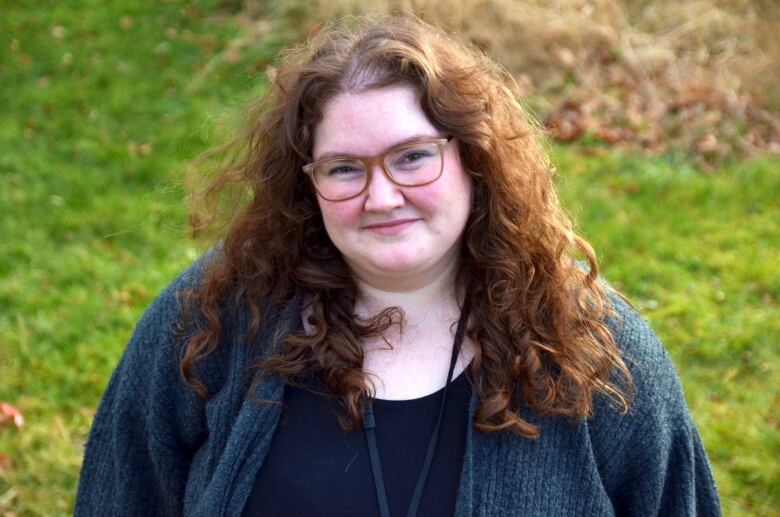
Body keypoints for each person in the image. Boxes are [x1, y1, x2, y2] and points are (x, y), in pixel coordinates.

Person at [75, 15, 721, 517]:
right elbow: (119, 492)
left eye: (412, 157)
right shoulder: (217, 310)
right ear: (308, 183)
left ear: (472, 157)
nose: (381, 197)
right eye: (344, 168)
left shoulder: (597, 350)